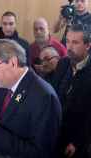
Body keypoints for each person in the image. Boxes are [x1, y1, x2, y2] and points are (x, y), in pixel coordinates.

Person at [0, 39, 62, 158]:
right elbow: (8, 117)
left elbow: (40, 153)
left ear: (13, 63)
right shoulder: (6, 83)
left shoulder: (44, 97)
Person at [52, 24, 91, 158]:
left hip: (76, 139)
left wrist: (77, 142)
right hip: (55, 131)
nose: (69, 47)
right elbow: (53, 95)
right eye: (67, 41)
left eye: (75, 42)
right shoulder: (63, 63)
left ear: (87, 45)